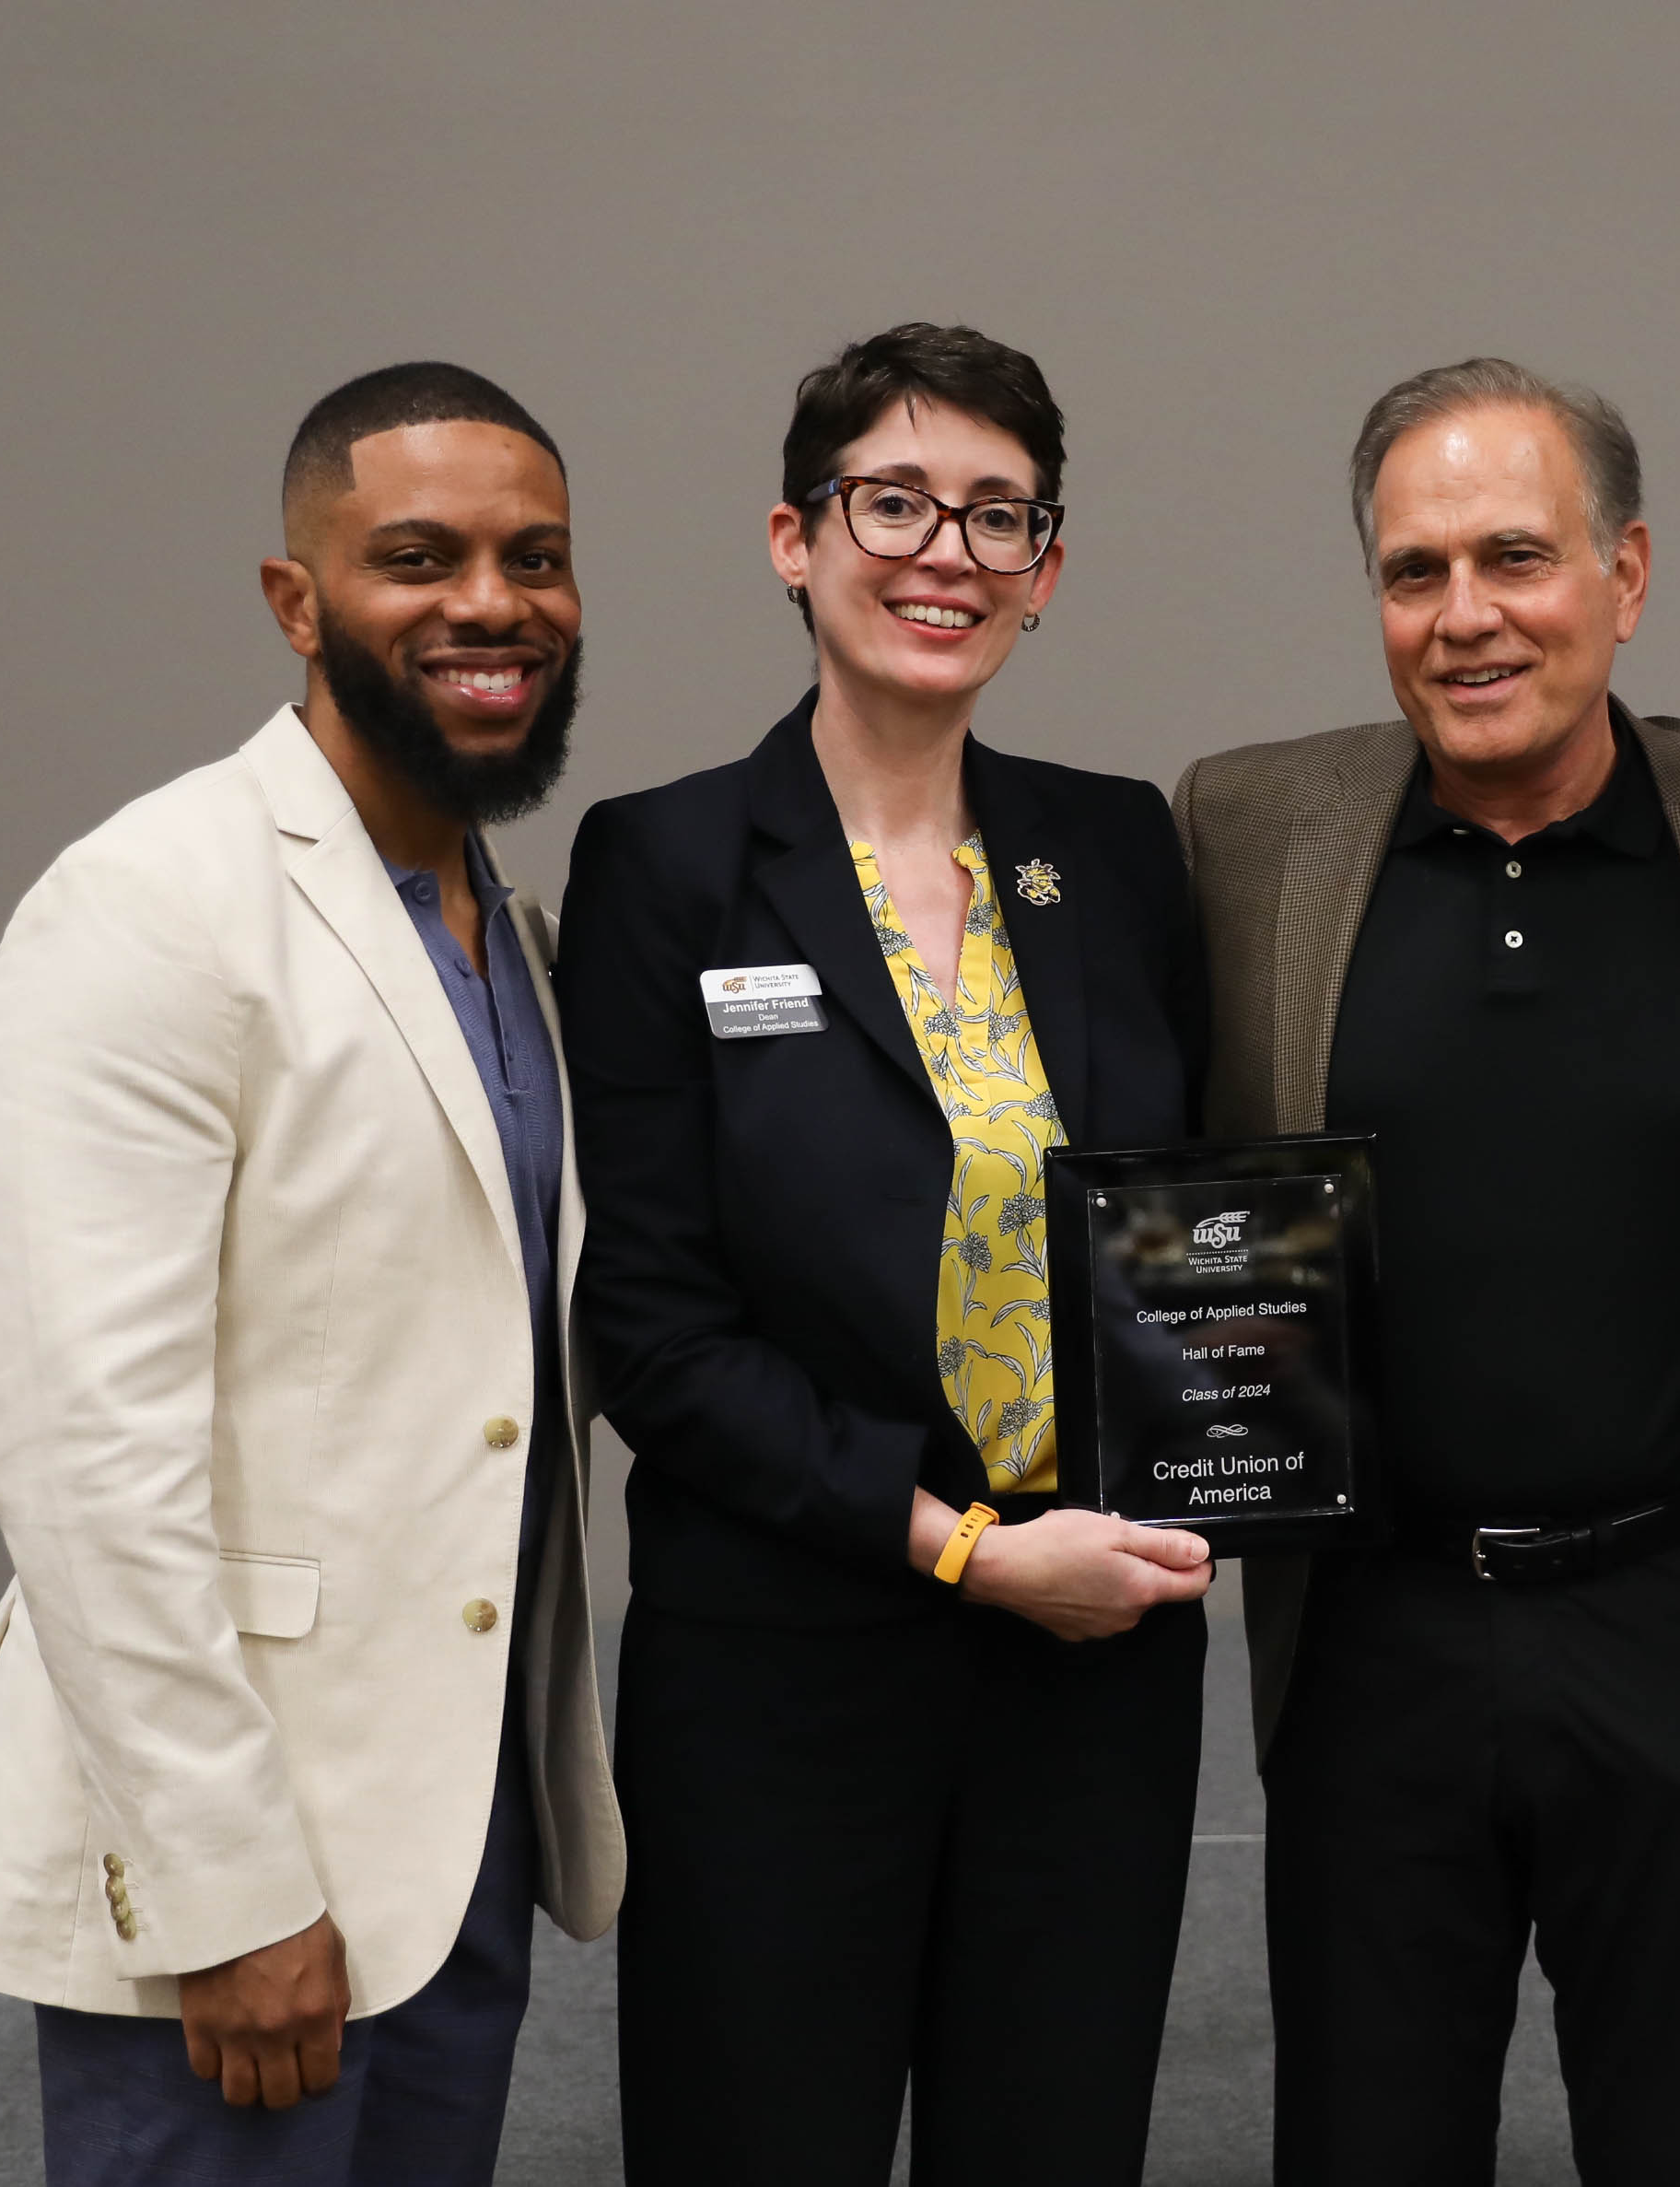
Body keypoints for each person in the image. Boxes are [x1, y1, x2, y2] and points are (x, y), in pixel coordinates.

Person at [0, 362, 624, 2184]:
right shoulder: (149, 907)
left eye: (535, 557)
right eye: (417, 556)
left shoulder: (500, 929)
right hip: (237, 1873)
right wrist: (224, 1891)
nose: (488, 604)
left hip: (454, 1836)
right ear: (297, 601)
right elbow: (85, 1454)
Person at [1174, 358, 1680, 2185]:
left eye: (1515, 555)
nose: (1465, 615)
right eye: (1413, 571)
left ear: (1624, 574)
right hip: (1372, 1641)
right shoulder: (1249, 832)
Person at [557, 322, 1215, 2185]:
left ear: (1046, 570)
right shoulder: (667, 867)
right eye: (895, 501)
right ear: (794, 536)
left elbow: (1177, 1233)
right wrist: (962, 1549)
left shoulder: (1110, 849)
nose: (945, 551)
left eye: (996, 515)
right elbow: (656, 1334)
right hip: (785, 1664)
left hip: (1087, 1663)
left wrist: (1238, 1438)